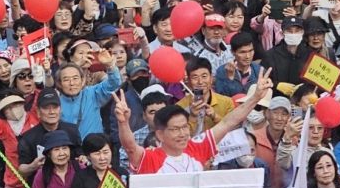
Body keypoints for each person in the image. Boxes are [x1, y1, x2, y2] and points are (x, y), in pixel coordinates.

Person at [114, 68, 273, 174]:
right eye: (175, 129)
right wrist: (123, 122)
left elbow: (228, 122)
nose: (183, 133)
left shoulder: (197, 146)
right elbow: (130, 148)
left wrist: (255, 97)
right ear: (160, 134)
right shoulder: (150, 158)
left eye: (184, 127)